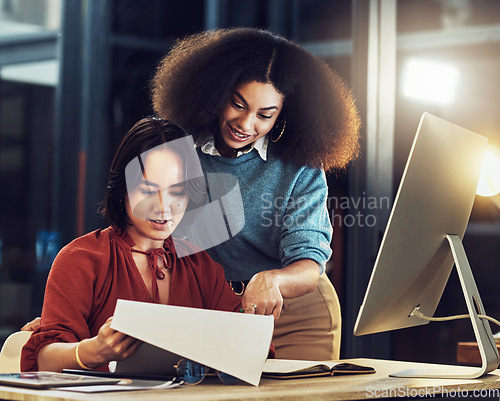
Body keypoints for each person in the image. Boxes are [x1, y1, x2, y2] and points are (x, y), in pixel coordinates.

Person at [150, 27, 361, 360]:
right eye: (238, 104)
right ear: (215, 92)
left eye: (265, 115)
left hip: (291, 314)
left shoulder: (300, 166)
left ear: (282, 115)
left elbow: (309, 262)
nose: (246, 124)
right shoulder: (176, 148)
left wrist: (273, 278)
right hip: (206, 308)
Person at [21, 117, 251, 372]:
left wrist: (254, 317)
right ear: (122, 191)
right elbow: (43, 360)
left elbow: (245, 345)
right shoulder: (80, 259)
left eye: (177, 192)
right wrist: (94, 350)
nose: (164, 207)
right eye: (148, 190)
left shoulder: (200, 265)